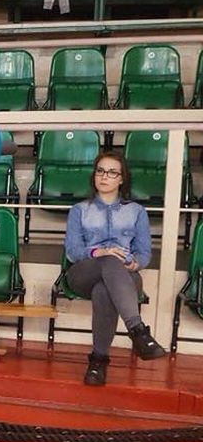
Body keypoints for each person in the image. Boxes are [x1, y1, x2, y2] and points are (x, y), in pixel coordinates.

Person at [63, 150, 167, 386]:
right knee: (109, 260)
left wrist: (135, 263)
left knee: (104, 290)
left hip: (124, 275)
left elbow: (144, 253)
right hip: (84, 272)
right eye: (100, 171)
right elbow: (73, 251)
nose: (104, 176)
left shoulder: (136, 212)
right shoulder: (80, 210)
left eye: (112, 172)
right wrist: (98, 252)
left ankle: (98, 361)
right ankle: (138, 332)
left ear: (121, 179)